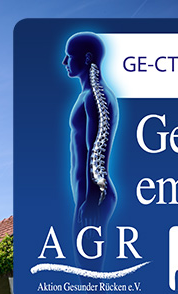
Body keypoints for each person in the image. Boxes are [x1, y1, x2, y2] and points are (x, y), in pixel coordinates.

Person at [63, 32, 119, 270]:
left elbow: (95, 147)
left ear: (86, 58)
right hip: (86, 197)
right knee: (87, 272)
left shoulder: (96, 97)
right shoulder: (88, 97)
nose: (65, 62)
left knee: (90, 272)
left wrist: (92, 199)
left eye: (69, 56)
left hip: (93, 196)